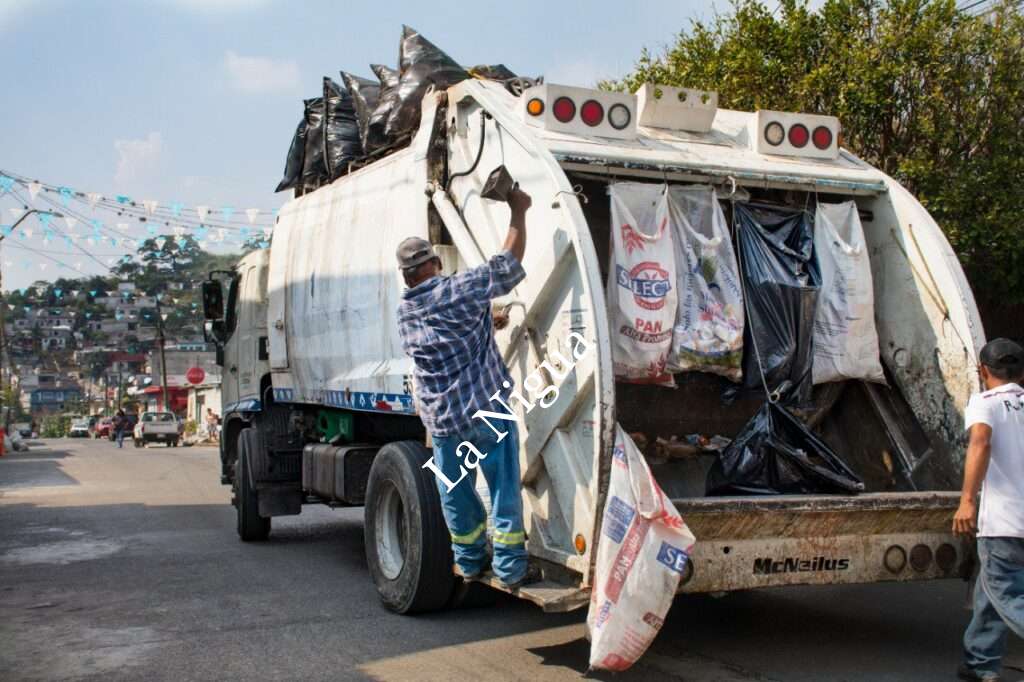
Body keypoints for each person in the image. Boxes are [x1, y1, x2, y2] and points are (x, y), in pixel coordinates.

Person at [395, 186, 538, 590]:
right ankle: (510, 568)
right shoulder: (458, 289)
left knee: (455, 495)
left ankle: (470, 562)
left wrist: (484, 321)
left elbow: (443, 338)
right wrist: (518, 210)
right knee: (504, 487)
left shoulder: (406, 311)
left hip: (444, 421)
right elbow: (507, 264)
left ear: (405, 276)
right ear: (437, 263)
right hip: (486, 411)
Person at [954, 338, 1024, 681]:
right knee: (990, 590)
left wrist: (967, 500)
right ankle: (980, 662)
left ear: (983, 371)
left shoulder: (985, 402)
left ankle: (981, 662)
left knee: (1006, 593)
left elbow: (980, 441)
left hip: (1004, 524)